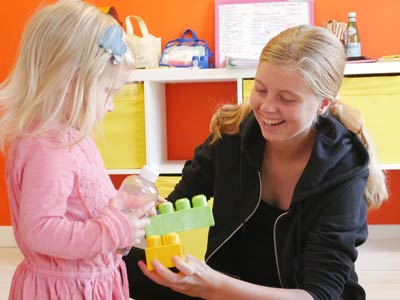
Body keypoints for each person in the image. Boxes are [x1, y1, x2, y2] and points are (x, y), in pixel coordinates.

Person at [124, 24, 388, 300]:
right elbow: (177, 205)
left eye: (286, 98)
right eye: (260, 89)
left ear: (322, 104)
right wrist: (139, 220)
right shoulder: (232, 134)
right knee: (116, 264)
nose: (266, 107)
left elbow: (321, 294)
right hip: (226, 288)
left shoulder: (343, 169)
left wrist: (216, 287)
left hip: (288, 296)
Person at [0, 1, 154, 299]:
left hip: (85, 281)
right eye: (107, 92)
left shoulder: (71, 134)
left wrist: (123, 206)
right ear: (70, 81)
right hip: (67, 289)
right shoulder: (48, 149)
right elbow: (41, 231)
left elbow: (83, 202)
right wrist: (114, 230)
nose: (111, 106)